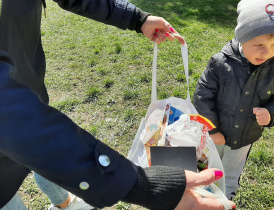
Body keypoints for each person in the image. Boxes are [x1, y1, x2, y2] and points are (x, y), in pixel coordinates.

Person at [0, 0, 236, 210]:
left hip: (31, 93)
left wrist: (137, 18)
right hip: (13, 128)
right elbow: (12, 121)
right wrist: (137, 184)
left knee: (42, 155)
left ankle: (64, 203)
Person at [193, 0, 274, 200]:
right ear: (242, 38)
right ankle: (200, 195)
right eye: (259, 44)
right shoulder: (220, 62)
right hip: (216, 131)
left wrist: (272, 111)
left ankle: (225, 198)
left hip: (245, 137)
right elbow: (202, 96)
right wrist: (212, 130)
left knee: (231, 172)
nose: (267, 52)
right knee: (206, 165)